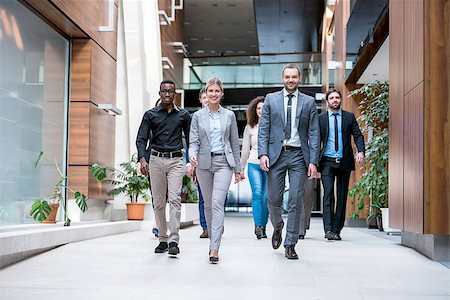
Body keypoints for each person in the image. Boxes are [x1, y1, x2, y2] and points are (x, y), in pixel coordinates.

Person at [258, 63, 319, 260]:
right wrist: (263, 154)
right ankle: (277, 227)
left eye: (294, 77)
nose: (291, 80)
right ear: (282, 78)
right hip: (276, 154)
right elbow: (263, 129)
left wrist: (313, 161)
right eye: (287, 77)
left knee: (295, 199)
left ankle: (290, 243)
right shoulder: (271, 99)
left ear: (299, 78)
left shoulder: (309, 102)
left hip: (299, 155)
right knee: (273, 199)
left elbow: (314, 133)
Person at [189, 77, 242, 263]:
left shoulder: (229, 115)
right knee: (209, 205)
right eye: (210, 91)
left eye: (216, 91)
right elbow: (193, 141)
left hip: (223, 163)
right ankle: (214, 238)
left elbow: (235, 144)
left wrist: (237, 169)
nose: (213, 94)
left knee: (217, 203)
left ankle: (214, 248)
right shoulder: (197, 116)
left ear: (221, 94)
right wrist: (192, 156)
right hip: (203, 164)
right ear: (206, 94)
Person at [136, 80, 190, 256]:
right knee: (158, 202)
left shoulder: (183, 115)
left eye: (171, 91)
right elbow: (141, 139)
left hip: (175, 160)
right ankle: (162, 239)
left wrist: (191, 162)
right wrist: (142, 159)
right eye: (164, 91)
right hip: (155, 160)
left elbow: (191, 140)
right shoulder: (150, 115)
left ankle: (174, 240)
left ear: (175, 94)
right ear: (159, 93)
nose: (167, 94)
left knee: (174, 199)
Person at [318, 88, 365, 240]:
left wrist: (360, 151)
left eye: (337, 97)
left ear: (340, 100)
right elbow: (314, 140)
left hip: (344, 161)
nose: (335, 100)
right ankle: (328, 230)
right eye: (331, 98)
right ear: (327, 101)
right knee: (328, 195)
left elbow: (358, 135)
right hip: (327, 162)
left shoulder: (349, 117)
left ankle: (337, 229)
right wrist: (312, 162)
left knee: (342, 196)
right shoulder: (321, 119)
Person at [240, 96, 269, 239]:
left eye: (263, 108)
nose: (261, 111)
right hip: (253, 164)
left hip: (270, 166)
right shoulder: (249, 128)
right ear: (254, 110)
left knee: (266, 197)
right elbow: (245, 149)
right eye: (258, 108)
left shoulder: (273, 126)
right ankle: (258, 226)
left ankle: (263, 226)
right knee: (257, 194)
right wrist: (241, 169)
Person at [186, 89, 209, 239]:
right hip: (200, 161)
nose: (207, 99)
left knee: (219, 197)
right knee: (203, 196)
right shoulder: (193, 118)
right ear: (200, 99)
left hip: (219, 162)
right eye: (204, 97)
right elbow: (190, 142)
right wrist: (190, 163)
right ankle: (205, 227)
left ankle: (216, 223)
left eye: (209, 97)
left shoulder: (222, 115)